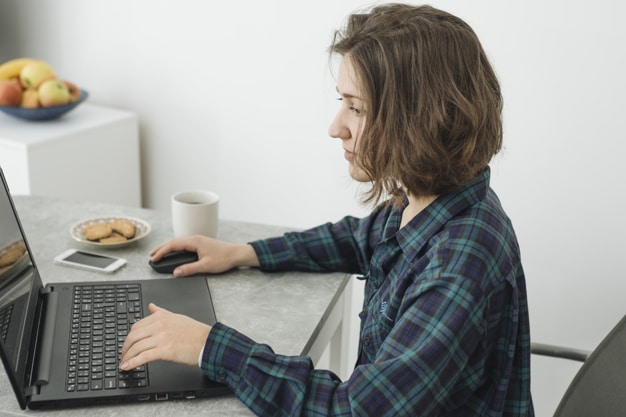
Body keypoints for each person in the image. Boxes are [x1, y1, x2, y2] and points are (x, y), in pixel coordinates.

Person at [120, 4, 534, 416]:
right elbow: (356, 238)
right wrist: (243, 253)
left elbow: (353, 410)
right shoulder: (431, 200)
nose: (336, 127)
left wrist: (213, 348)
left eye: (357, 108)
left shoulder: (458, 264)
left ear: (420, 118)